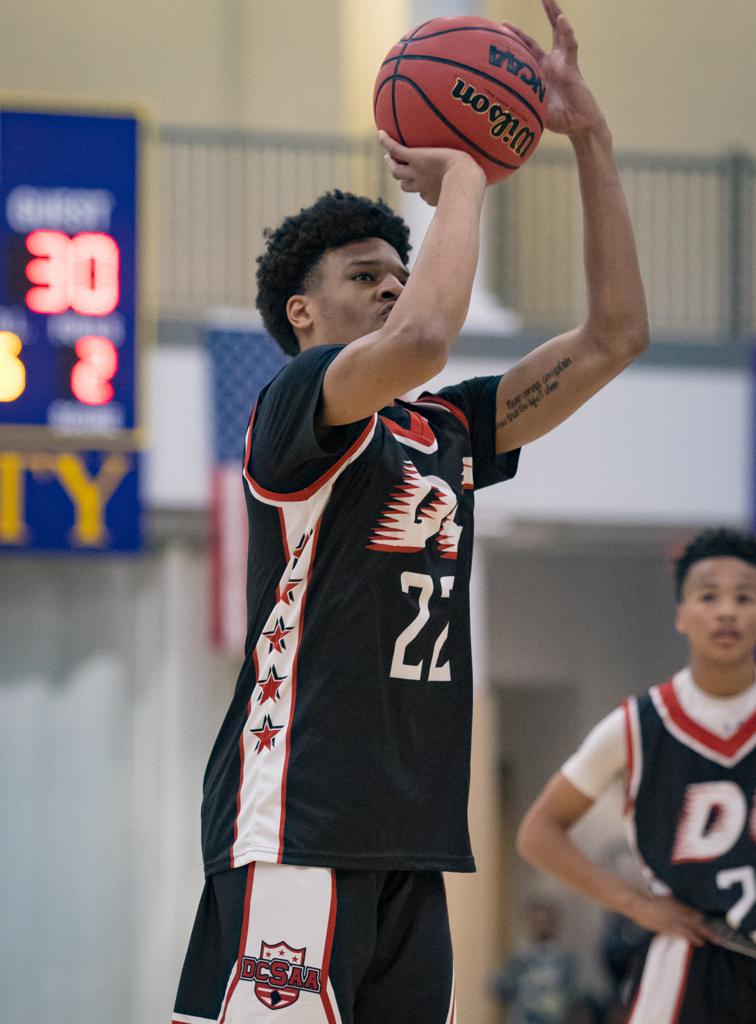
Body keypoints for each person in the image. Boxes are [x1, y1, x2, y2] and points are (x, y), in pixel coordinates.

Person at [172, 2, 649, 1021]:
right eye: (363, 278)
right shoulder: (296, 403)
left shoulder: (450, 431)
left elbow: (615, 337)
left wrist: (590, 135)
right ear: (304, 314)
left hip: (412, 840)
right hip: (299, 823)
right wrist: (469, 166)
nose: (393, 289)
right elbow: (430, 333)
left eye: (399, 271)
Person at [517, 528, 756, 1024]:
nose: (727, 610)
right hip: (690, 957)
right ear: (681, 614)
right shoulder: (638, 723)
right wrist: (634, 905)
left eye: (744, 597)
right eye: (708, 596)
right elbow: (538, 833)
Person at [491, 898, 578, 1024]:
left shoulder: (566, 962)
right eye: (536, 921)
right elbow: (500, 988)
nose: (540, 926)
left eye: (545, 921)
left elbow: (573, 996)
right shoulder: (518, 961)